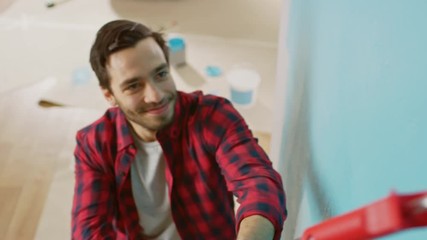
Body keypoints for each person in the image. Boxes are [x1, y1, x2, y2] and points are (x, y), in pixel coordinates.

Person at [71, 19, 287, 240]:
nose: (156, 96)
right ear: (109, 95)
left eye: (161, 74)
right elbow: (89, 230)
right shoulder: (94, 143)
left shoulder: (212, 116)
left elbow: (258, 184)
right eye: (134, 85)